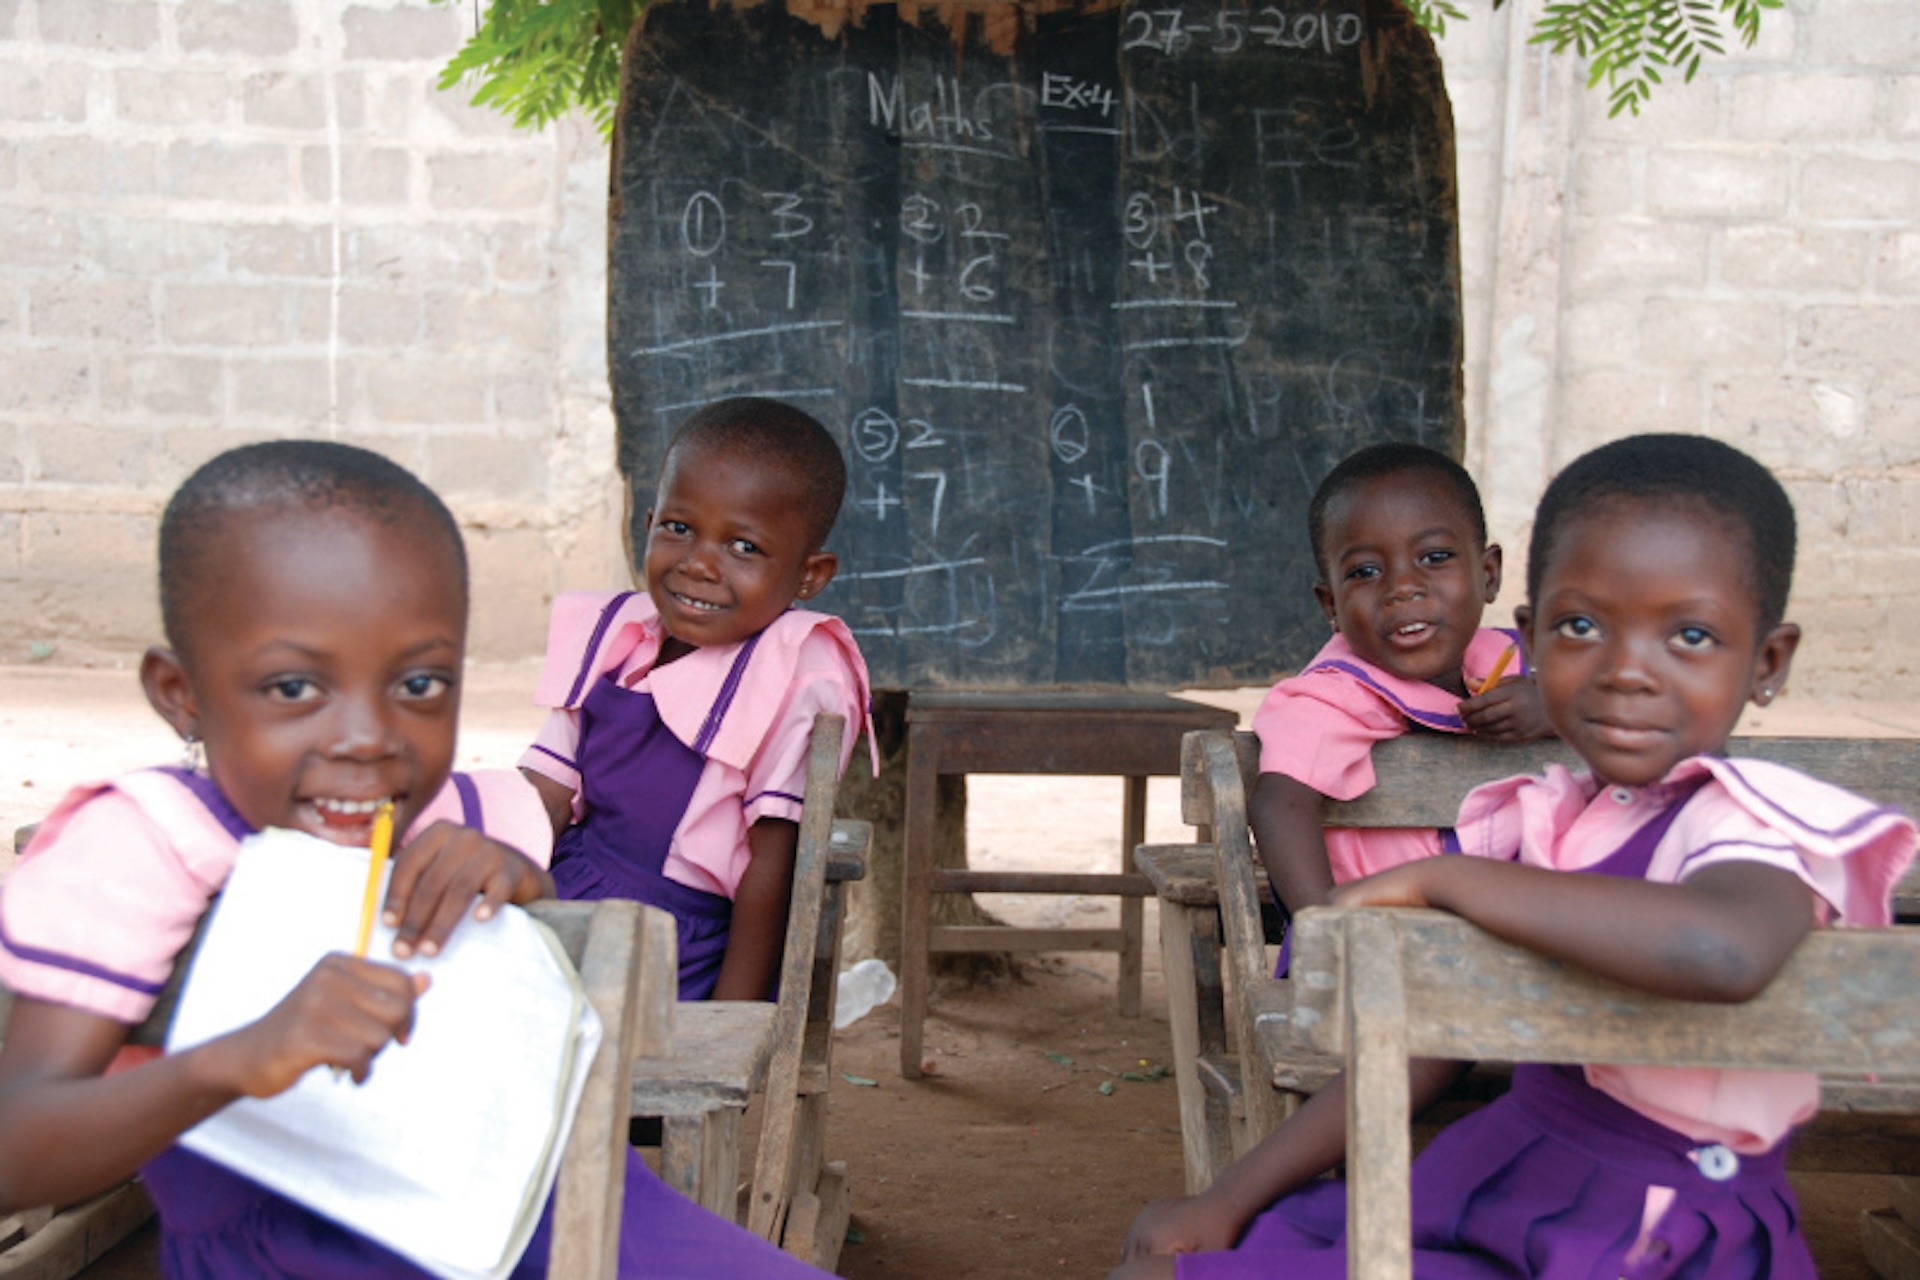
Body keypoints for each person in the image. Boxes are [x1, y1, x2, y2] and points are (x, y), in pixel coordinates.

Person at [0, 440, 833, 1279]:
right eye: (294, 688)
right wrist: (234, 1060)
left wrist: (515, 886)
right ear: (180, 694)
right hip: (313, 1250)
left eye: (420, 684)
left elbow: (526, 939)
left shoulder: (424, 813)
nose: (369, 739)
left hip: (555, 1210)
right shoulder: (147, 842)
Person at [1116, 433, 1917, 1278]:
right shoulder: (1556, 818)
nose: (1626, 672)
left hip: (1652, 1232)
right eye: (1582, 626)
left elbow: (1723, 949)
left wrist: (1450, 878)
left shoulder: (1759, 822)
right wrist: (1228, 1198)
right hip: (1511, 1178)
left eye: (1688, 635)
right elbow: (1427, 1034)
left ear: (1768, 662)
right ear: (1533, 640)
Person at [521, 397, 872, 1002]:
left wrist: (732, 1021)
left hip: (670, 945)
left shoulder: (795, 669)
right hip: (567, 888)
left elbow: (773, 867)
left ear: (810, 575)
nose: (699, 565)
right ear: (651, 521)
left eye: (744, 547)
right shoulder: (619, 633)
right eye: (679, 529)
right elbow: (544, 793)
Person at [1251, 443, 1550, 942]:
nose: (1403, 587)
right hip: (1391, 955)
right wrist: (1330, 941)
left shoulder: (1529, 666)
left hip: (1533, 950)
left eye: (1434, 557)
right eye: (1365, 572)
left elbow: (1630, 722)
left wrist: (1559, 709)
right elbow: (1278, 804)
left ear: (1489, 573)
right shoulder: (1329, 700)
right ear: (1331, 604)